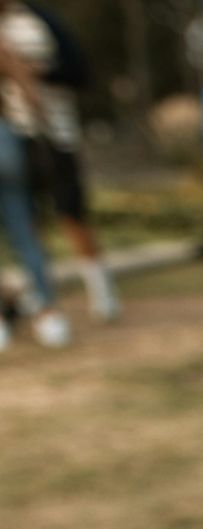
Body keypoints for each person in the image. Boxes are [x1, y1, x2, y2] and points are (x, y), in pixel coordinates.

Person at [0, 0, 117, 321]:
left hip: (57, 133)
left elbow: (78, 70)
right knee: (27, 221)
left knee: (71, 212)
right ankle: (38, 296)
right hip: (14, 137)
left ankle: (102, 293)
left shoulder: (41, 22)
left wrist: (36, 71)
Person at [0, 41, 66, 350]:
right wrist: (43, 130)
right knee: (25, 233)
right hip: (4, 142)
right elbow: (27, 89)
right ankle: (49, 315)